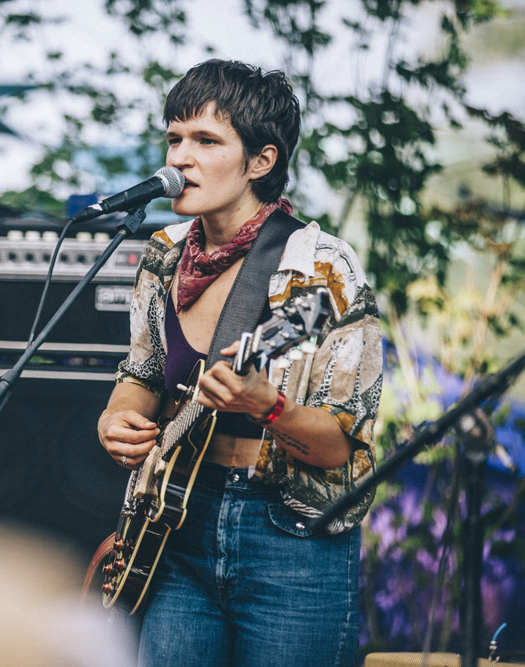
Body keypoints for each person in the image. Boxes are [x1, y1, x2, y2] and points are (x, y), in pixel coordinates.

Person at [97, 59, 383, 667]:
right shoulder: (164, 257)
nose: (179, 158)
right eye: (174, 138)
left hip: (288, 534)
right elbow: (143, 373)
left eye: (205, 140)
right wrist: (118, 415)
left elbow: (341, 446)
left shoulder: (322, 271)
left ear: (262, 160)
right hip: (177, 521)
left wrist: (268, 406)